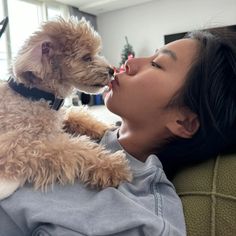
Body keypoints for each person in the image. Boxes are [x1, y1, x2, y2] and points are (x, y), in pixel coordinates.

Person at [0, 28, 235, 236]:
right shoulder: (66, 124)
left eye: (157, 64)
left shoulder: (140, 218)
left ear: (184, 122)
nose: (129, 63)